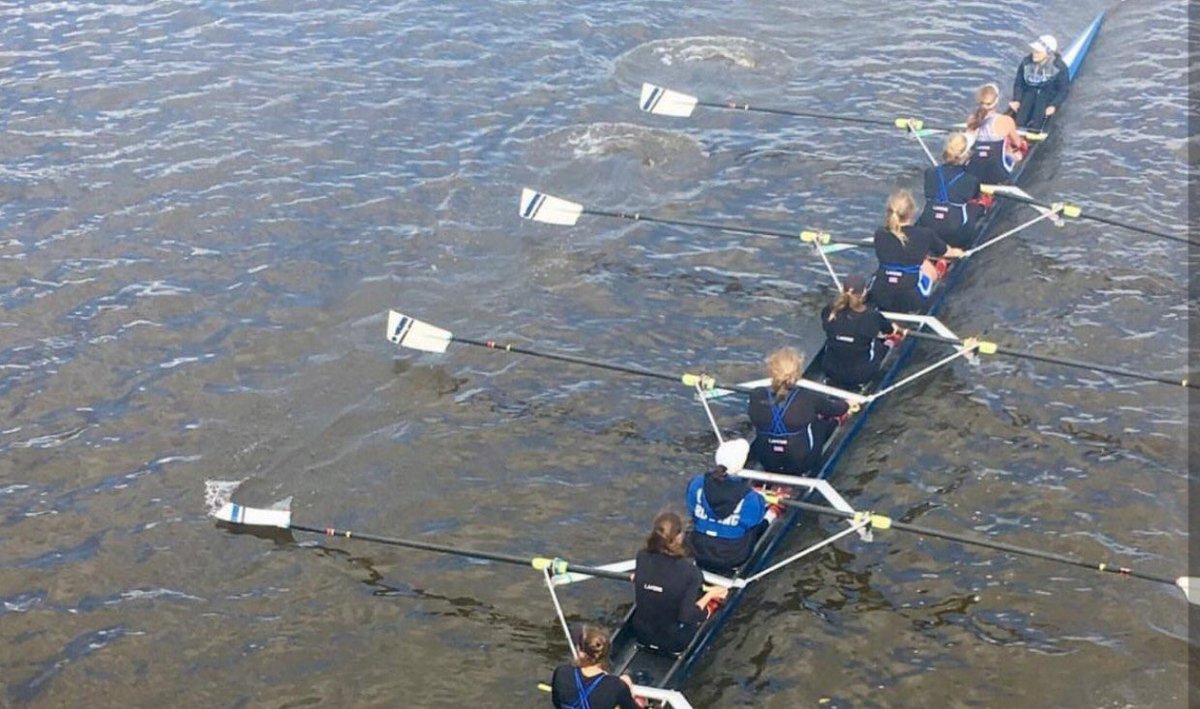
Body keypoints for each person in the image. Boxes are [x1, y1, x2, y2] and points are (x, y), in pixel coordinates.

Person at [631, 511, 728, 654]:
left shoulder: (642, 557)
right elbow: (687, 616)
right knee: (707, 605)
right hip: (674, 641)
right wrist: (711, 594)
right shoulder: (690, 571)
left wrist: (640, 579)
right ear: (679, 537)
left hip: (641, 634)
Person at [747, 347, 855, 475]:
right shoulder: (807, 396)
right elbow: (835, 409)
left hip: (767, 461)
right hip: (801, 463)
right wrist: (847, 404)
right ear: (798, 372)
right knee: (822, 422)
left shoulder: (756, 395)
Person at [686, 438, 781, 574]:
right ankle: (774, 512)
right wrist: (762, 497)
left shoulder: (697, 483)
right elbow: (754, 522)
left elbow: (693, 512)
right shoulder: (750, 497)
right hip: (733, 557)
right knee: (758, 524)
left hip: (698, 550)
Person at [870, 190, 965, 314]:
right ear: (912, 212)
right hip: (911, 299)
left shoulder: (879, 234)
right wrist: (960, 253)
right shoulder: (924, 234)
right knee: (928, 268)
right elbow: (947, 252)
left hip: (881, 296)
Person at [819, 274, 903, 389]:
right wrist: (897, 329)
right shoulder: (872, 316)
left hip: (830, 370)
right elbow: (889, 330)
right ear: (864, 292)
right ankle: (890, 345)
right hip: (860, 375)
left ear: (842, 289)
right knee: (882, 344)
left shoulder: (829, 311)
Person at [917, 132, 991, 248]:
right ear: (966, 155)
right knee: (978, 207)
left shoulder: (929, 173)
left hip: (928, 228)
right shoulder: (971, 180)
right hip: (956, 234)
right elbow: (975, 199)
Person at [549, 626, 640, 709]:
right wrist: (627, 688)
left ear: (580, 652)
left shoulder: (562, 673)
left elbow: (557, 703)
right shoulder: (616, 686)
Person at [964, 83, 1026, 186]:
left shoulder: (971, 120)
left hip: (974, 172)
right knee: (1018, 155)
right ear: (996, 100)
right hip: (998, 174)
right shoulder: (1006, 120)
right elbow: (1018, 144)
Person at [1010, 34, 1069, 129]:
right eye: (1034, 51)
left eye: (1038, 52)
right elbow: (1019, 83)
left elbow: (1063, 90)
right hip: (1029, 95)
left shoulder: (1060, 68)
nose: (1034, 53)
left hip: (1046, 98)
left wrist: (1053, 105)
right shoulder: (1026, 63)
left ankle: (1034, 128)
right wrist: (1016, 99)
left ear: (1048, 54)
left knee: (1037, 121)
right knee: (1020, 119)